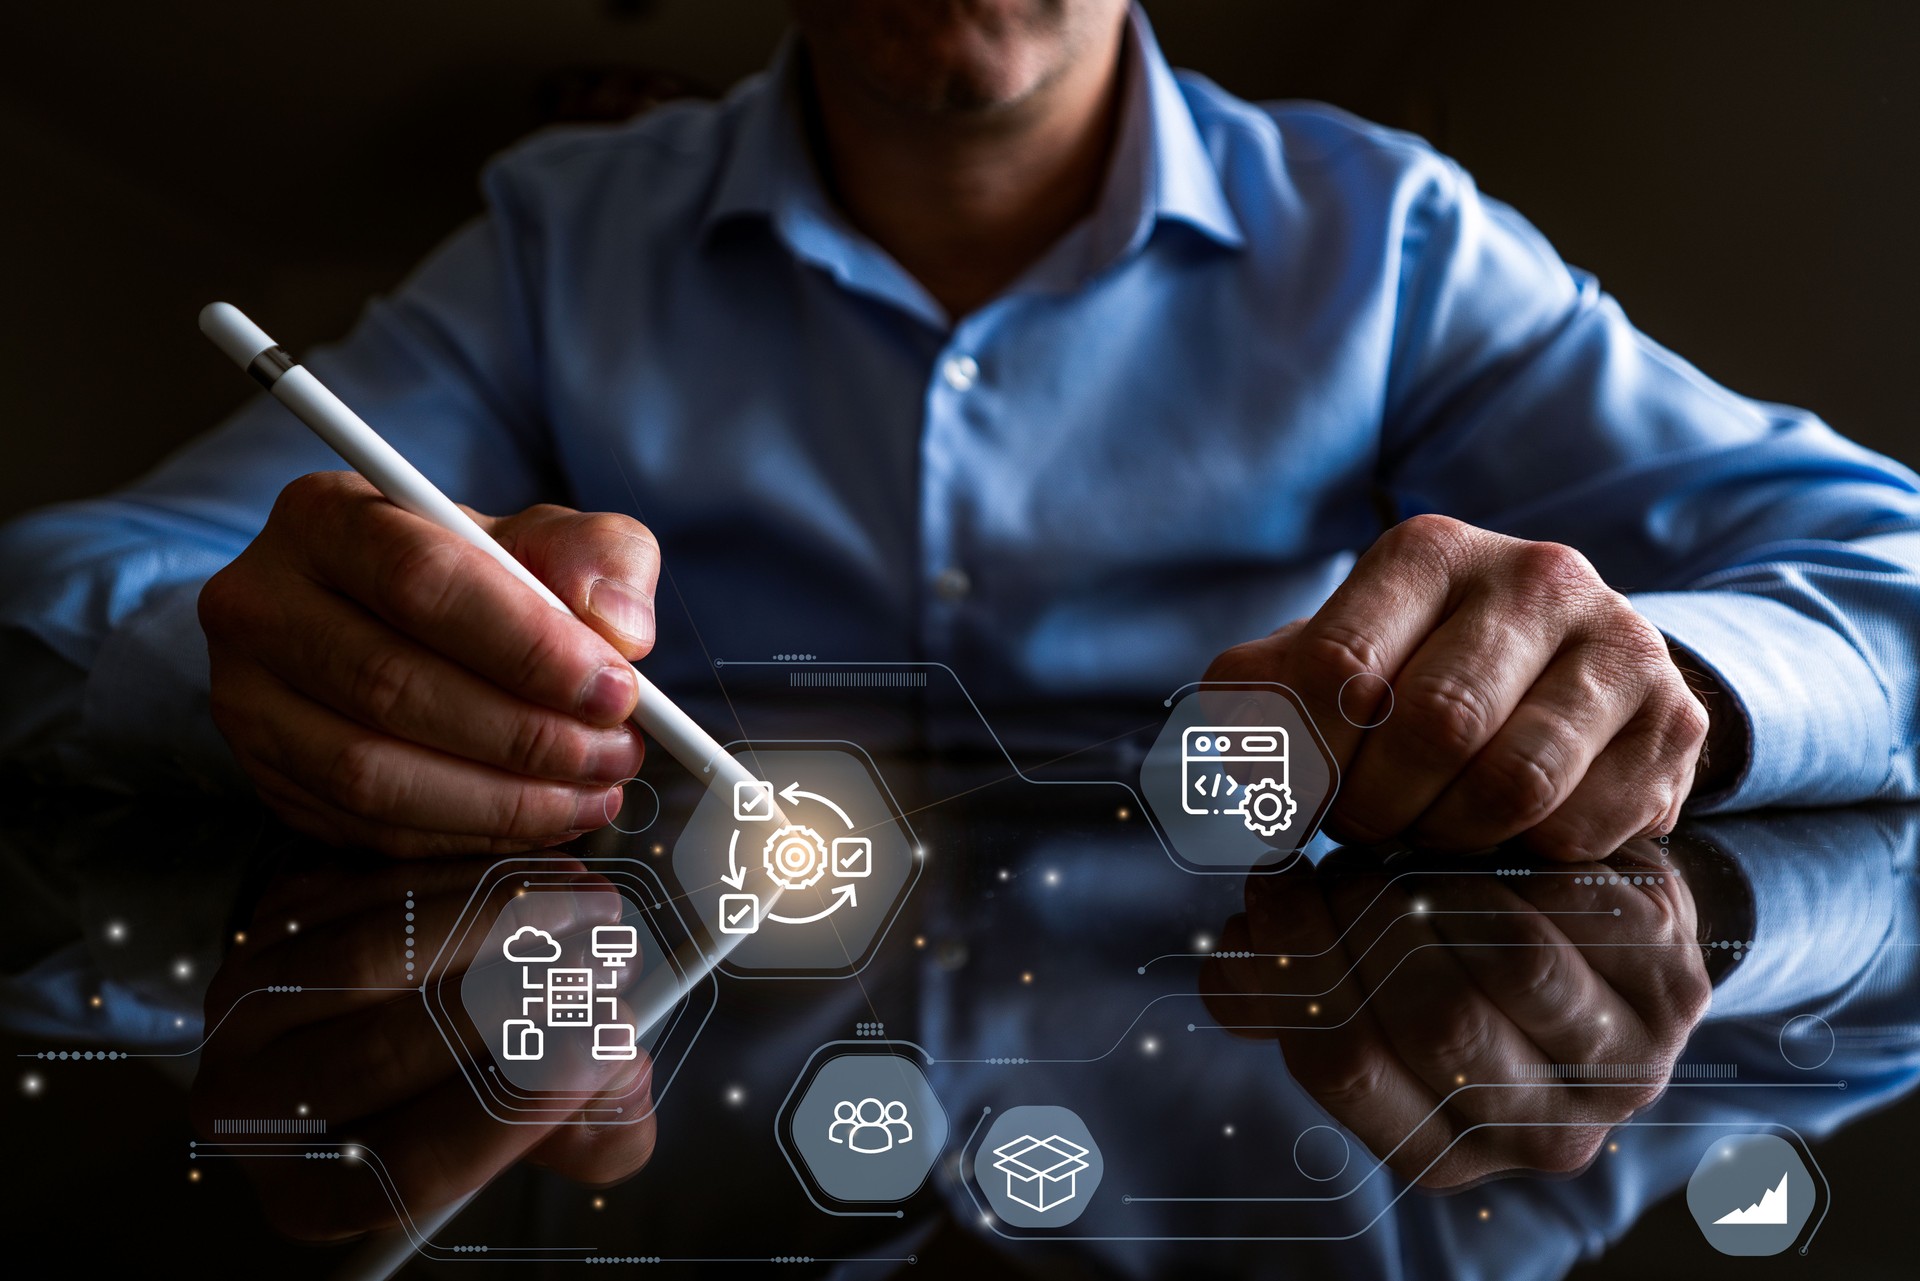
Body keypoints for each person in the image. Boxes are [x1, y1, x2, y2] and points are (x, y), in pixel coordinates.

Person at [1, 0, 1916, 859]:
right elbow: (56, 600)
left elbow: (1890, 578)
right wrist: (260, 665)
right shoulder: (561, 236)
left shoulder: (1391, 243)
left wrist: (1650, 677)